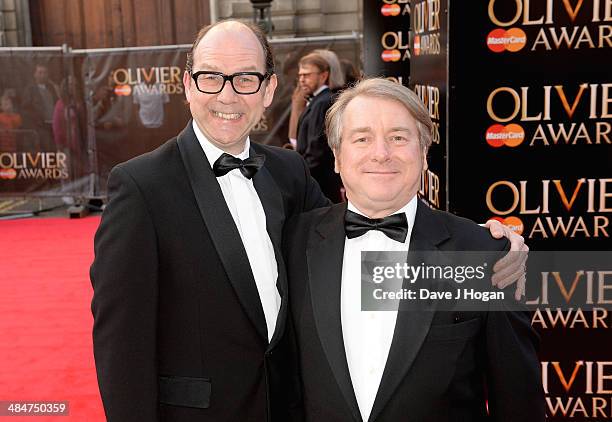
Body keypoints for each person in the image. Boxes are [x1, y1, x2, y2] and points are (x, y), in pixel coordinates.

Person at [90, 20, 527, 422]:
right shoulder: (140, 185)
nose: (227, 95)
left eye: (245, 78)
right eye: (210, 77)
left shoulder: (288, 174)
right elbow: (120, 342)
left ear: (268, 89)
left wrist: (492, 244)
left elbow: (364, 215)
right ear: (187, 85)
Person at [284, 78, 544, 421]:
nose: (381, 153)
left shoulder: (484, 254)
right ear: (336, 157)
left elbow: (518, 401)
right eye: (362, 138)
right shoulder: (291, 242)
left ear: (423, 155)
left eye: (398, 138)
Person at [295, 52, 343, 202]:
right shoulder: (319, 100)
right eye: (300, 75)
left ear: (323, 76)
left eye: (307, 75)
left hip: (321, 184)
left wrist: (299, 176)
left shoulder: (323, 102)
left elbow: (317, 149)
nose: (302, 80)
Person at [20, 64, 59, 149]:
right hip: (40, 127)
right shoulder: (30, 89)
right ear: (35, 74)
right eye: (40, 72)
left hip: (53, 125)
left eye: (45, 73)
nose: (43, 75)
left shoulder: (52, 88)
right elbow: (25, 108)